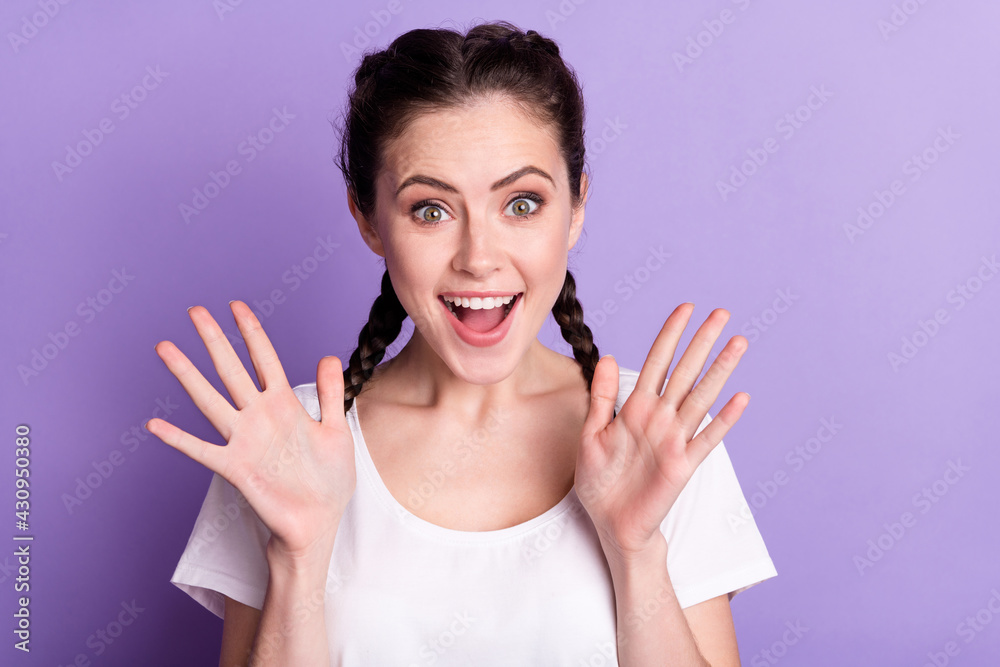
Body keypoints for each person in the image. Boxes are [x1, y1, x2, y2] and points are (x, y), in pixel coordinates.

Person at [152, 20, 777, 665]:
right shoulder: (284, 441)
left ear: (578, 203)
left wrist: (636, 550)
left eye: (523, 203)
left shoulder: (659, 437)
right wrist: (298, 557)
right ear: (367, 218)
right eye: (431, 210)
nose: (479, 258)